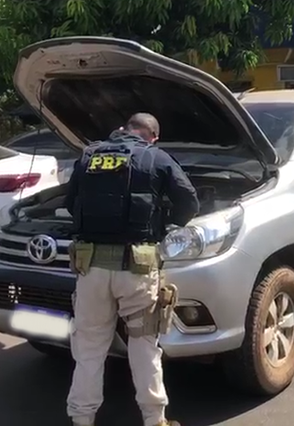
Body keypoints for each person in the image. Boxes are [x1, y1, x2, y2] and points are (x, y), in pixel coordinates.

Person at [64, 113, 200, 426]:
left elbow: (72, 203)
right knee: (143, 346)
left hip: (91, 268)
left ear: (124, 128)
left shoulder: (88, 156)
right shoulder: (156, 157)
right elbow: (189, 203)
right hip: (137, 270)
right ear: (152, 136)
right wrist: (163, 223)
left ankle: (82, 419)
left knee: (89, 348)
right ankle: (154, 420)